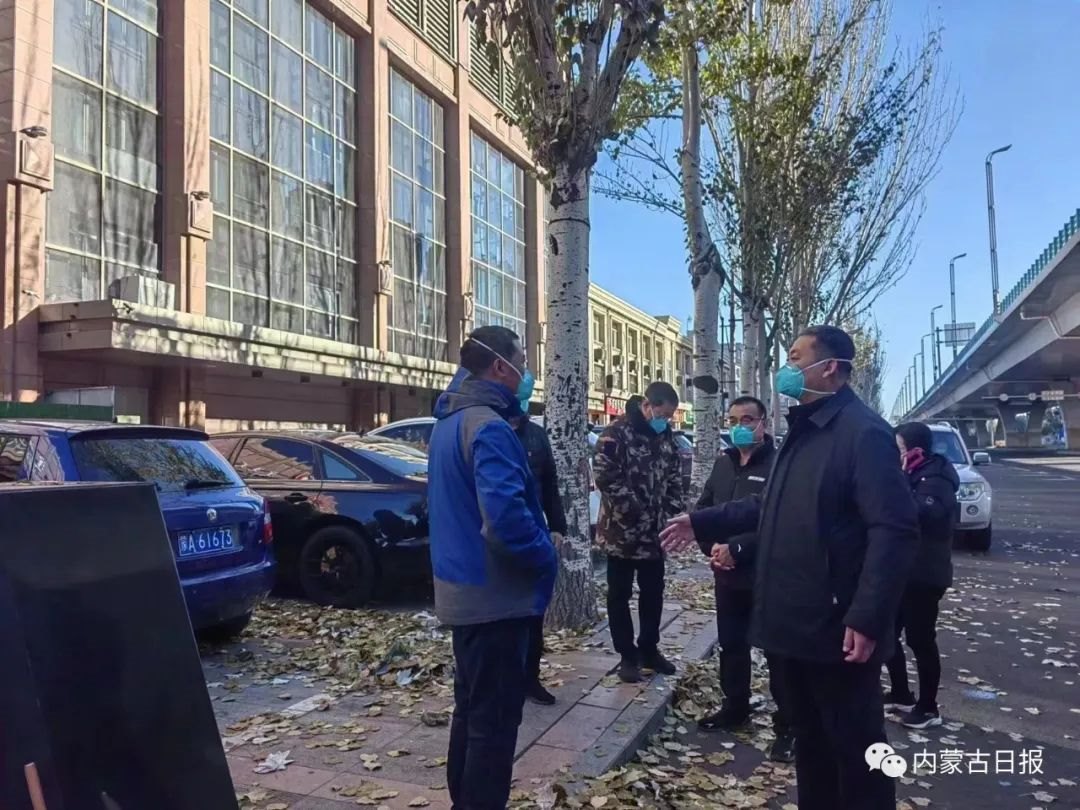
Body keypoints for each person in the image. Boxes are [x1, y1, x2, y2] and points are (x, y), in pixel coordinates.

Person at [660, 325, 920, 810]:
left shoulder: (863, 433)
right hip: (793, 625)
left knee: (858, 752)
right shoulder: (803, 433)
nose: (787, 368)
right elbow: (768, 506)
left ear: (831, 368)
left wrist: (867, 616)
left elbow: (894, 530)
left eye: (797, 357)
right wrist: (700, 521)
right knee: (812, 746)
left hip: (838, 631)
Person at [427, 325, 558, 810]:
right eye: (522, 362)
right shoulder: (489, 427)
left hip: (462, 593)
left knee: (471, 713)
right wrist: (546, 556)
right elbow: (505, 521)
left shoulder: (448, 423)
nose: (527, 373)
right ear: (500, 367)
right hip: (496, 599)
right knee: (494, 726)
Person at [694, 395, 795, 764]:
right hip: (727, 576)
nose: (740, 426)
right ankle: (735, 707)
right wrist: (713, 548)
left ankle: (789, 727)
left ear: (763, 422)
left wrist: (738, 548)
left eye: (748, 419)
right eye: (734, 419)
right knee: (732, 645)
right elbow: (705, 510)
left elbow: (782, 522)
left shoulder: (780, 465)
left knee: (778, 654)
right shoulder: (724, 463)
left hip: (767, 576)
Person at [594, 381, 684, 684]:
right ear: (647, 405)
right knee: (619, 595)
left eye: (670, 416)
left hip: (655, 534)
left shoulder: (665, 436)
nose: (666, 420)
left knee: (653, 593)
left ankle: (649, 649)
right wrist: (638, 514)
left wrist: (671, 513)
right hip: (621, 533)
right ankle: (626, 656)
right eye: (663, 414)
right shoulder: (616, 433)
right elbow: (606, 478)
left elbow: (674, 477)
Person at [885, 421, 958, 730]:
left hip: (925, 574)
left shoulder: (937, 478)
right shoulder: (912, 474)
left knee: (920, 639)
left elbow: (922, 513)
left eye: (899, 448)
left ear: (915, 450)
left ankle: (928, 707)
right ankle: (901, 692)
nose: (896, 454)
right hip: (902, 570)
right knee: (887, 632)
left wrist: (899, 481)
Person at [509, 397, 567, 706]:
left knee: (534, 613)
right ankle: (507, 679)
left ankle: (530, 678)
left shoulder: (536, 435)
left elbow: (550, 483)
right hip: (501, 535)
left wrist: (557, 526)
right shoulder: (491, 431)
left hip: (535, 532)